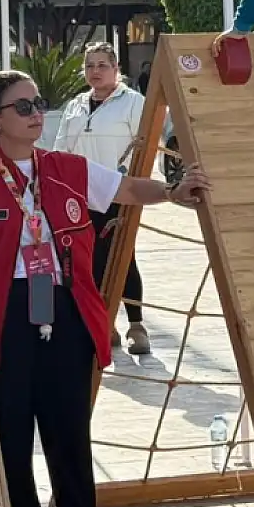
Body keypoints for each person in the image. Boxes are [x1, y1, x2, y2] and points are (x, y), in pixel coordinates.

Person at [0, 70, 210, 507]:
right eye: (23, 107)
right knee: (11, 443)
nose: (36, 115)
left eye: (38, 104)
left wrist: (173, 193)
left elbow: (130, 189)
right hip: (5, 318)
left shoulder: (67, 167)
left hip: (65, 311)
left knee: (69, 436)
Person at [52, 43, 151, 355]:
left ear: (116, 68)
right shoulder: (75, 105)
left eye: (102, 65)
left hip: (118, 193)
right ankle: (104, 324)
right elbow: (60, 149)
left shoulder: (134, 102)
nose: (95, 71)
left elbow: (147, 144)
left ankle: (136, 324)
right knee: (87, 260)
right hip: (79, 196)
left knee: (122, 256)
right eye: (90, 65)